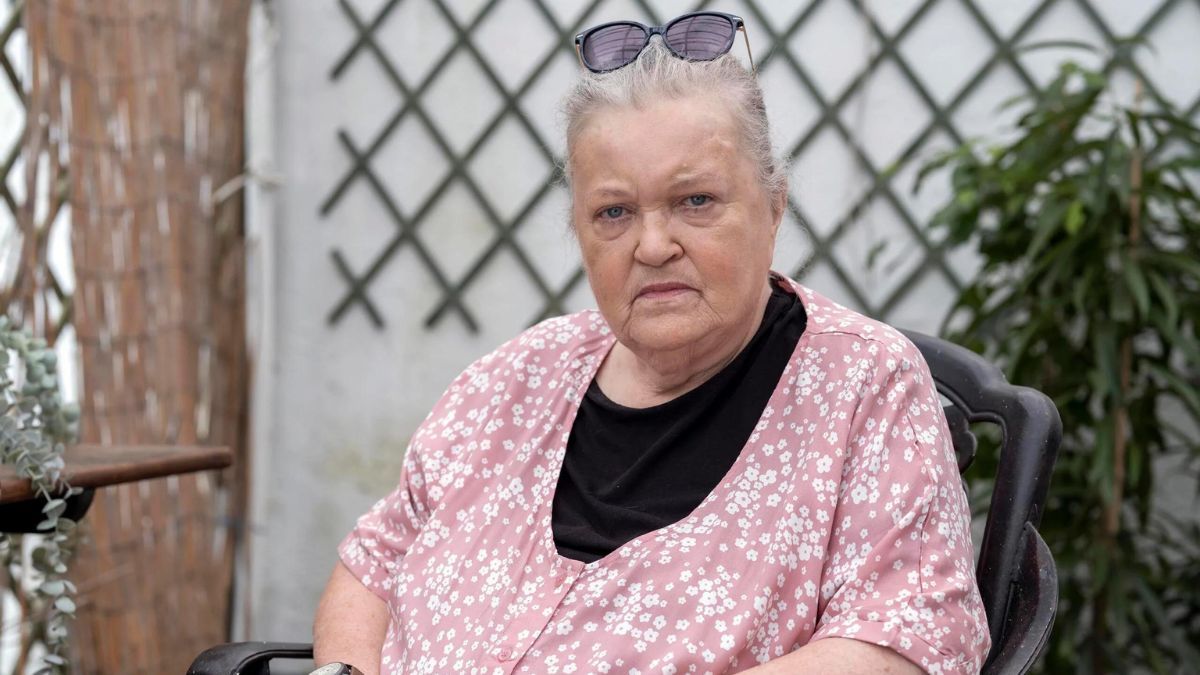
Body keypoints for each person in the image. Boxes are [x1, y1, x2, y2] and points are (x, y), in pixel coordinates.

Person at [312, 11, 989, 675]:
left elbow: (901, 642)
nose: (654, 245)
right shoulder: (513, 380)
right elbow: (375, 564)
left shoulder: (863, 385)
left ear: (774, 206)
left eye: (695, 201)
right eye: (614, 212)